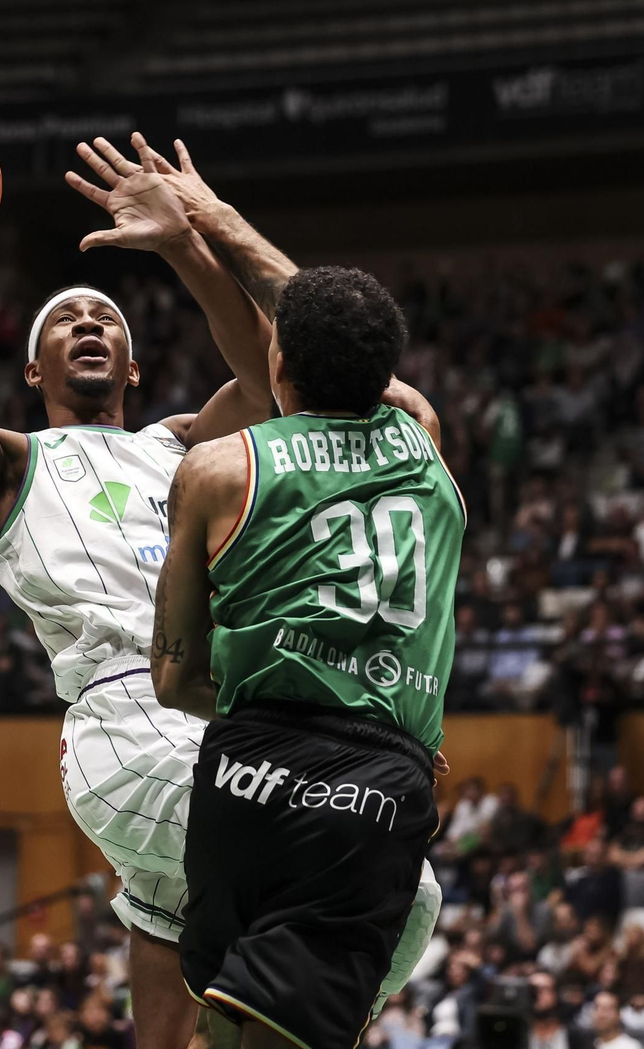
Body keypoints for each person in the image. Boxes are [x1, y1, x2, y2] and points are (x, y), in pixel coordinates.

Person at [0, 132, 274, 1049]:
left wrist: (186, 243)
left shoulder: (179, 444)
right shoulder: (5, 465)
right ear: (34, 371)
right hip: (124, 709)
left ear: (136, 367)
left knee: (166, 911)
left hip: (217, 699)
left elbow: (271, 380)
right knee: (316, 851)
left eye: (106, 319)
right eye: (65, 320)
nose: (89, 325)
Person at [152, 262, 456, 1049]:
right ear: (384, 368)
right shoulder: (419, 440)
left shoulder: (216, 469)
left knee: (220, 1024)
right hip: (370, 786)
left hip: (241, 769)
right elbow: (344, 333)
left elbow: (176, 674)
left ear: (277, 361)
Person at [527, 971, 589, 1049]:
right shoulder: (517, 1033)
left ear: (556, 994)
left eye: (544, 989)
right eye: (533, 990)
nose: (537, 995)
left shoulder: (577, 1035)